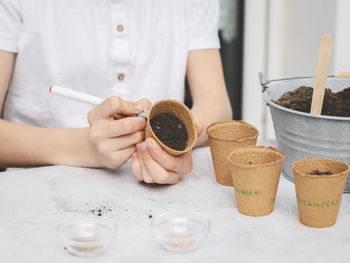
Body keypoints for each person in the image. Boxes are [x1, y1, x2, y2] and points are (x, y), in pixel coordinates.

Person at [0, 0, 232, 184]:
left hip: (158, 195)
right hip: (38, 189)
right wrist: (86, 147)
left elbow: (216, 104)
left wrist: (174, 144)